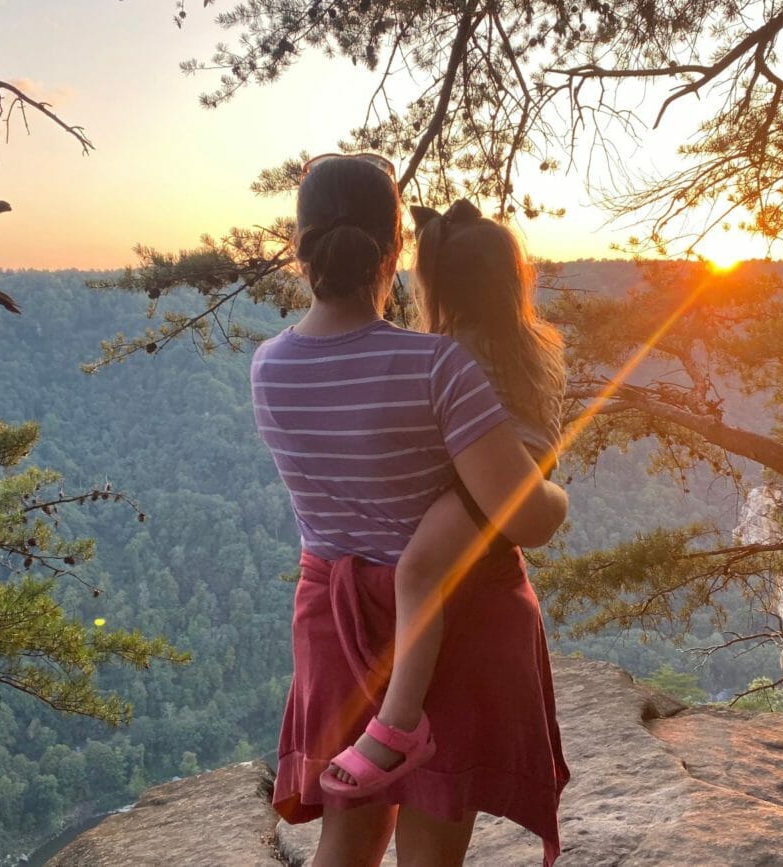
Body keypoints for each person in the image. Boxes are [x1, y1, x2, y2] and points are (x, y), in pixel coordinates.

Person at [251, 152, 569, 867]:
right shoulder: (437, 367)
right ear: (394, 250)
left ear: (301, 250)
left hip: (333, 618)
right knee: (433, 836)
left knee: (351, 832)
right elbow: (530, 519)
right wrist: (555, 485)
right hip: (452, 620)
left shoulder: (268, 366)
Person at [321, 199, 567, 812]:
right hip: (511, 469)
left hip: (485, 484)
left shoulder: (448, 353)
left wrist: (547, 502)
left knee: (420, 569)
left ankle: (398, 726)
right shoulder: (531, 341)